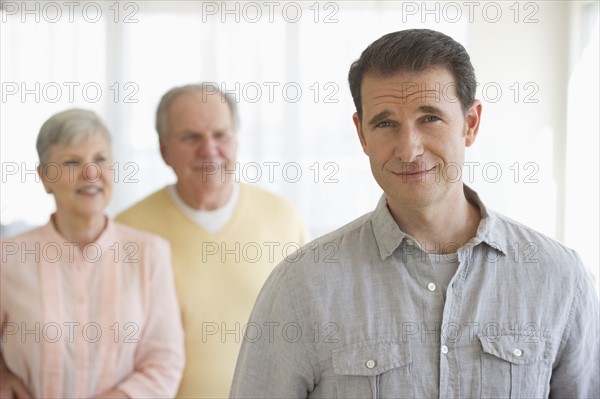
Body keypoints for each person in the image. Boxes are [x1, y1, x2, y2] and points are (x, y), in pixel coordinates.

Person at [230, 29, 600, 398]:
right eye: (386, 123)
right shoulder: (301, 286)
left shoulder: (561, 280)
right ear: (361, 135)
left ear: (470, 124)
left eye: (430, 118)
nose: (408, 149)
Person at [116, 83, 309, 398]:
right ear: (164, 150)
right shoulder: (127, 230)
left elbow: (313, 332)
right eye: (191, 137)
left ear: (235, 141)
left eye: (220, 135)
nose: (209, 150)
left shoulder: (283, 218)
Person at [0, 109, 184, 398]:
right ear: (45, 177)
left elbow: (165, 363)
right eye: (72, 162)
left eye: (100, 159)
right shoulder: (8, 258)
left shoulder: (150, 254)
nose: (91, 173)